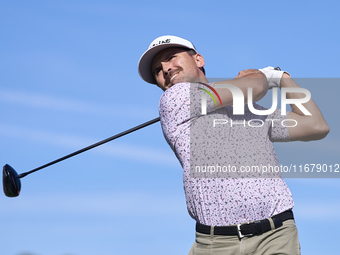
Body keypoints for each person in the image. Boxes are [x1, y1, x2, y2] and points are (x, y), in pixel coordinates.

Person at [138, 35, 329, 255]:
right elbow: (255, 87)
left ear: (199, 60)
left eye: (171, 58)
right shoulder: (174, 99)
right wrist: (261, 76)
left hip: (275, 236)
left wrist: (282, 78)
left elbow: (316, 125)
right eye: (157, 70)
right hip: (216, 244)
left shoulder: (249, 110)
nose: (166, 69)